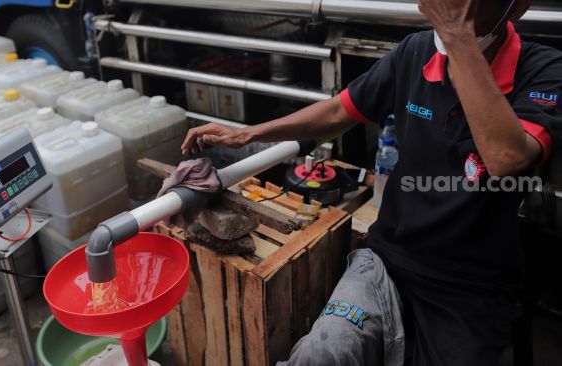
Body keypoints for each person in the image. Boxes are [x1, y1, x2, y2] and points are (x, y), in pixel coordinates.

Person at [181, 0, 562, 364]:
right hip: (389, 261)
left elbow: (505, 158)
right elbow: (337, 111)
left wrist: (457, 36)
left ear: (517, 7)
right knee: (318, 354)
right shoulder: (415, 52)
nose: (451, 11)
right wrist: (246, 134)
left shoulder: (545, 69)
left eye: (469, 5)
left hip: (471, 286)